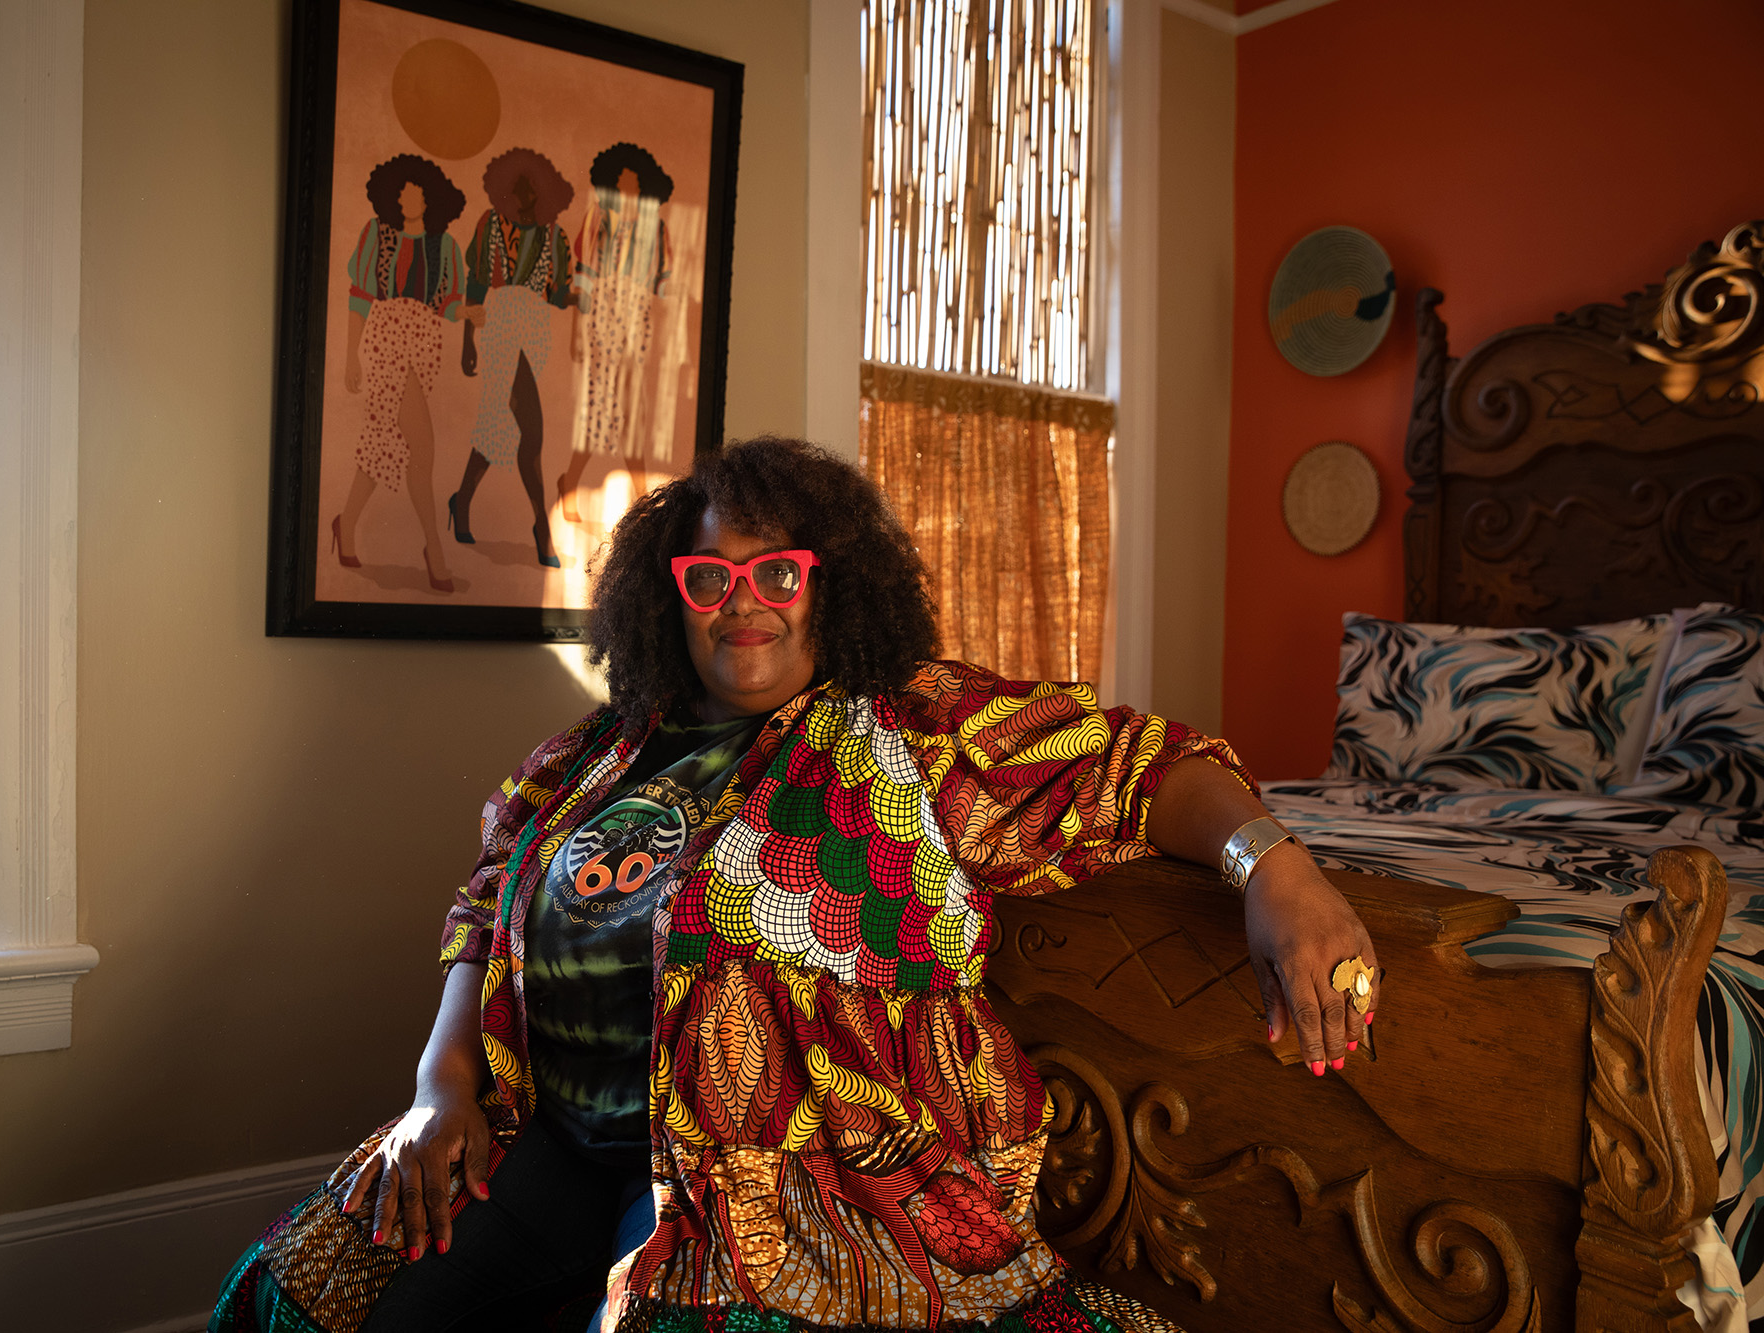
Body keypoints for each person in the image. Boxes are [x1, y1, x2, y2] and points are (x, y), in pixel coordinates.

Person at [210, 437, 1381, 1333]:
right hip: (552, 1136)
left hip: (793, 1181)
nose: (744, 603)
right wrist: (437, 1087)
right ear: (671, 593)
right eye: (709, 577)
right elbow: (483, 923)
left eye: (777, 571)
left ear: (831, 585)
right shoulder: (591, 753)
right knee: (303, 1297)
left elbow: (1143, 769)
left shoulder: (920, 726)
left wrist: (1270, 867)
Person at [336, 154, 469, 594]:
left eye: (414, 191)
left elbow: (446, 305)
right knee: (421, 444)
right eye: (401, 192)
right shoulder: (377, 234)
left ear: (429, 198)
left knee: (385, 442)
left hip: (425, 346)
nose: (406, 198)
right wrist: (352, 355)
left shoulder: (445, 245)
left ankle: (347, 522)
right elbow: (360, 295)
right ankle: (433, 546)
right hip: (387, 341)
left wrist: (466, 311)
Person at [449, 147, 578, 570]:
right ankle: (542, 524)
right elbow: (477, 282)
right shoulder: (491, 226)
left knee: (497, 423)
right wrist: (468, 339)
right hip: (499, 328)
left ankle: (462, 498)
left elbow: (557, 294)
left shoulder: (554, 236)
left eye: (530, 189)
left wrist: (582, 298)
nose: (523, 196)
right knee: (531, 430)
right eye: (516, 188)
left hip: (535, 332)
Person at [562, 142, 676, 526]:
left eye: (634, 183)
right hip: (603, 320)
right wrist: (579, 332)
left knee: (631, 413)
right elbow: (584, 278)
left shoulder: (657, 229)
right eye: (621, 181)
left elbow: (663, 289)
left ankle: (641, 498)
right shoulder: (599, 219)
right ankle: (573, 483)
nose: (627, 189)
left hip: (635, 323)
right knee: (598, 410)